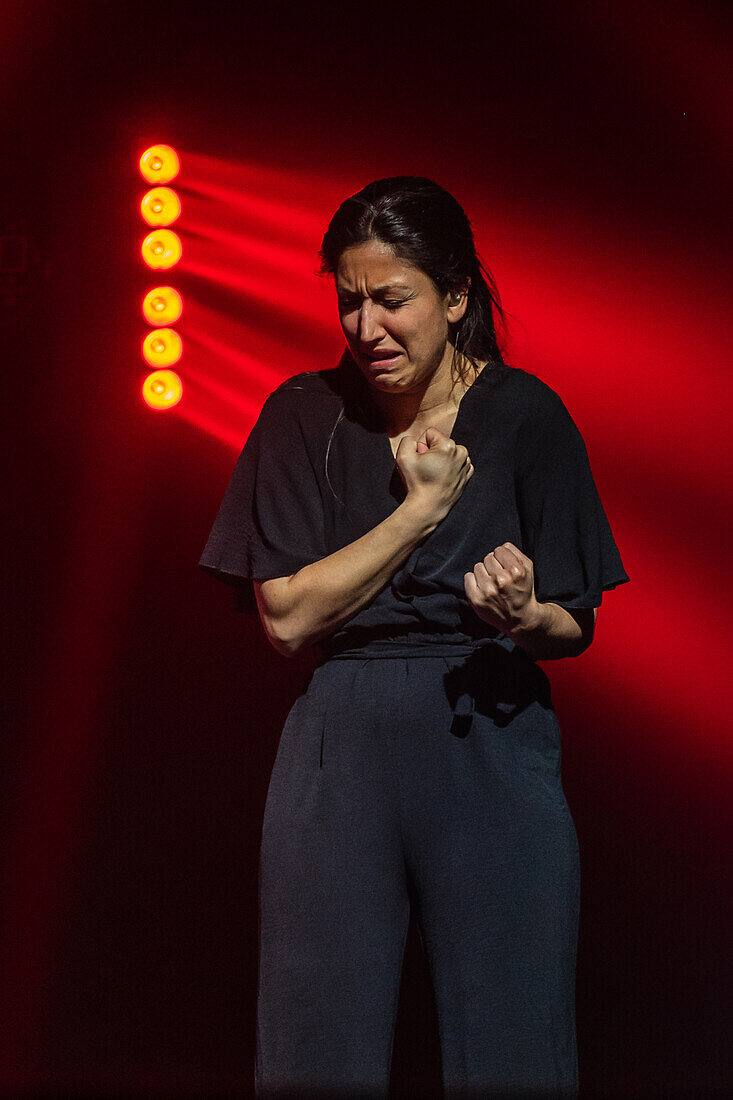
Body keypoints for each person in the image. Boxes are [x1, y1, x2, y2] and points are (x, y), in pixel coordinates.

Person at [198, 176, 630, 1098]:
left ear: (456, 297)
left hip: (487, 732)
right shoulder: (300, 414)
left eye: (391, 300)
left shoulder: (525, 416)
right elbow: (285, 617)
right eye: (349, 301)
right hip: (339, 743)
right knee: (317, 1040)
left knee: (513, 1035)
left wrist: (524, 615)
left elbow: (574, 623)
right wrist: (418, 513)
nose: (365, 328)